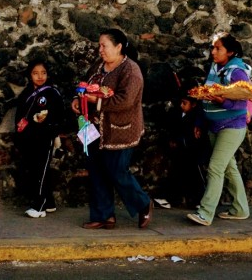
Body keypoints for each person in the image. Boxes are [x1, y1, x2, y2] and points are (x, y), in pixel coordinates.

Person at [71, 28, 153, 229]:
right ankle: (103, 215)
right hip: (94, 128)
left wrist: (96, 102)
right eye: (99, 45)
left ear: (118, 47)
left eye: (104, 46)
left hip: (120, 129)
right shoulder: (99, 66)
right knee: (96, 169)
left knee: (117, 170)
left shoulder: (130, 71)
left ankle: (143, 204)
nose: (100, 50)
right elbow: (86, 86)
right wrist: (78, 98)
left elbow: (125, 101)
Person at [187, 32, 251, 226]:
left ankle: (205, 213)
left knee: (215, 167)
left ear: (230, 52)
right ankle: (241, 208)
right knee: (229, 167)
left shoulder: (237, 72)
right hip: (214, 125)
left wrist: (222, 100)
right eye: (213, 48)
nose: (213, 52)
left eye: (218, 48)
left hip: (231, 127)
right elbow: (205, 95)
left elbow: (243, 102)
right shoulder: (216, 66)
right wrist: (200, 122)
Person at [15, 59, 65, 218]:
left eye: (43, 73)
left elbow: (59, 115)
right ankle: (49, 202)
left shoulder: (52, 92)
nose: (40, 76)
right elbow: (20, 114)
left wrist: (53, 130)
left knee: (41, 170)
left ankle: (39, 206)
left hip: (45, 137)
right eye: (35, 73)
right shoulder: (26, 93)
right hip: (29, 137)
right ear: (30, 75)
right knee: (34, 169)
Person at [154, 88, 210, 209]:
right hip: (182, 151)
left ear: (193, 104)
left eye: (185, 103)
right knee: (176, 174)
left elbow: (195, 137)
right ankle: (170, 198)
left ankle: (200, 201)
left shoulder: (197, 118)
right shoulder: (179, 114)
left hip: (194, 152)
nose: (181, 105)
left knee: (196, 177)